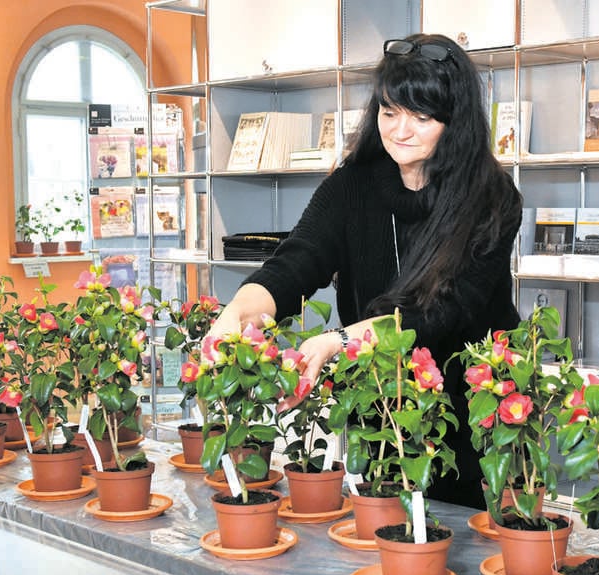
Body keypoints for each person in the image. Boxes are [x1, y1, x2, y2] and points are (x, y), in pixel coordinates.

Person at [207, 33, 522, 509]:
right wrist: (237, 314)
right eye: (390, 111)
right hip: (380, 403)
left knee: (463, 552)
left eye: (421, 117)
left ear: (454, 123)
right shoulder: (353, 182)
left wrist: (340, 340)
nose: (400, 130)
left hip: (472, 412)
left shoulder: (492, 199)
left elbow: (437, 314)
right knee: (386, 534)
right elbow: (296, 260)